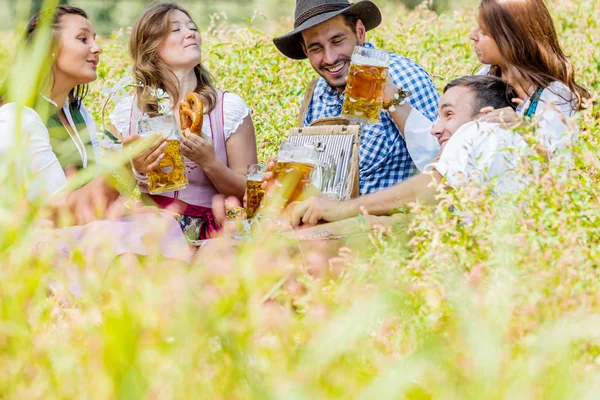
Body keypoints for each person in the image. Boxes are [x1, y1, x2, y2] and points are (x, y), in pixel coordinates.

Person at [288, 75, 533, 227]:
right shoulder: (510, 141)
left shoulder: (478, 129)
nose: (436, 129)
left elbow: (431, 187)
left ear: (486, 114)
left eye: (448, 114)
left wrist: (342, 208)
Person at [110, 2, 258, 240]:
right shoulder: (126, 112)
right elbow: (111, 192)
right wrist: (136, 170)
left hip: (214, 235)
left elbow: (250, 194)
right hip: (151, 232)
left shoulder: (228, 108)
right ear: (150, 46)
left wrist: (210, 162)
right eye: (175, 29)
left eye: (192, 27)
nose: (191, 33)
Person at [273, 0, 441, 195]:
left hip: (389, 221)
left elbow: (443, 164)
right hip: (326, 220)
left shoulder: (404, 77)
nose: (329, 58)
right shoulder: (314, 94)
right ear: (305, 51)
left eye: (337, 41)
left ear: (360, 32)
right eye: (316, 48)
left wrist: (394, 101)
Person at [0, 5, 120, 222]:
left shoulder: (77, 111)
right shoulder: (18, 118)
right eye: (83, 39)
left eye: (94, 39)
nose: (97, 48)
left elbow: (98, 199)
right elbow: (58, 212)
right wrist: (126, 166)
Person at [469, 0, 590, 155]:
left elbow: (561, 165)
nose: (472, 35)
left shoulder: (554, 97)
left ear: (512, 37)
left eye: (484, 32)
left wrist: (522, 130)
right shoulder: (485, 75)